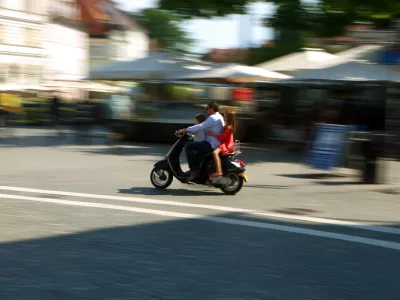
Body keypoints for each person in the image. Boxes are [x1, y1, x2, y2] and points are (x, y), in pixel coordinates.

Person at [178, 102, 224, 179]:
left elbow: (201, 126)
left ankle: (193, 170)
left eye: (207, 108)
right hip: (217, 144)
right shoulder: (219, 117)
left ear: (212, 109)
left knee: (188, 145)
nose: (206, 110)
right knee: (197, 155)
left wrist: (186, 130)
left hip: (211, 145)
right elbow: (205, 128)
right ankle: (199, 171)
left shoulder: (212, 118)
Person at [207, 110, 236, 178]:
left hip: (226, 145)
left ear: (229, 118)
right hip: (226, 144)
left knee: (214, 153)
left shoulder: (228, 127)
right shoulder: (228, 126)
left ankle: (219, 171)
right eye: (224, 116)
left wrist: (212, 134)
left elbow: (221, 138)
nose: (224, 117)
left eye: (226, 116)